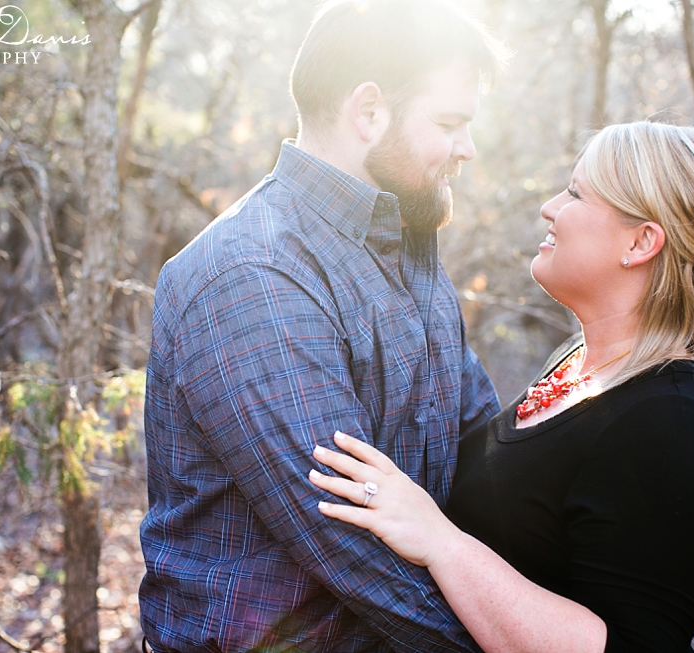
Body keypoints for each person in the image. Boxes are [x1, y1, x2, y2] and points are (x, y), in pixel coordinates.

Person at [309, 122, 694, 652]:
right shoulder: (581, 365)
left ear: (641, 241)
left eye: (576, 193)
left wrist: (439, 541)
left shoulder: (676, 428)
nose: (549, 207)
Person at [139, 1, 505, 650]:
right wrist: (515, 636)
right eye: (449, 123)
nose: (467, 149)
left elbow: (480, 445)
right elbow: (354, 545)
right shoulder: (252, 273)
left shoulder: (407, 248)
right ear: (369, 111)